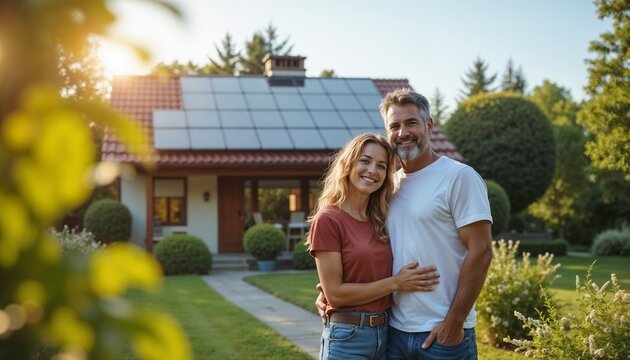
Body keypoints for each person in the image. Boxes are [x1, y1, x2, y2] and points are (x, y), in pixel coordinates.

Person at [317, 89, 493, 359]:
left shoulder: (459, 177)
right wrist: (331, 298)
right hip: (394, 331)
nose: (403, 132)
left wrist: (454, 322)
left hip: (442, 332)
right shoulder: (386, 188)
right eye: (394, 126)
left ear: (429, 125)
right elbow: (361, 249)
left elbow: (481, 251)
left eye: (411, 122)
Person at [309, 133, 440, 360]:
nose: (372, 170)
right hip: (347, 338)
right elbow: (336, 294)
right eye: (365, 161)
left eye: (381, 166)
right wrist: (396, 283)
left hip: (387, 334)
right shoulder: (328, 219)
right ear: (348, 164)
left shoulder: (382, 218)